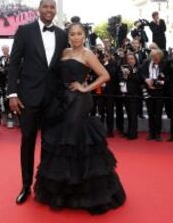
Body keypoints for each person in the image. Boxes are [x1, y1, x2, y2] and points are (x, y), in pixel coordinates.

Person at [33, 22, 126, 215]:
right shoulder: (64, 52)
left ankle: (87, 192)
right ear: (68, 36)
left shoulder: (87, 54)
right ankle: (67, 190)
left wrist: (85, 87)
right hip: (61, 102)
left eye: (79, 34)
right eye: (73, 34)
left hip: (79, 100)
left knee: (75, 140)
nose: (76, 37)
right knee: (64, 144)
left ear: (85, 36)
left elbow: (105, 75)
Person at [7, 0, 68, 205]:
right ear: (38, 9)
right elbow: (13, 63)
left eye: (52, 7)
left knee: (50, 144)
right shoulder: (24, 31)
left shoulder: (62, 35)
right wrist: (12, 94)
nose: (49, 10)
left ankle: (46, 185)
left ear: (55, 10)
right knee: (28, 142)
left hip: (53, 99)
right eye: (45, 6)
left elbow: (62, 67)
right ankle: (25, 186)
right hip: (28, 98)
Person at [140, 49, 167, 142]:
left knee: (158, 113)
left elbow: (168, 75)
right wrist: (146, 80)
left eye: (157, 58)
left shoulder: (164, 64)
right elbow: (141, 74)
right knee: (150, 113)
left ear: (160, 57)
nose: (156, 59)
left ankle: (158, 134)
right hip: (149, 91)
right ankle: (151, 133)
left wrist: (162, 82)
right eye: (154, 57)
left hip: (160, 91)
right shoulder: (146, 63)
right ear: (151, 57)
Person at [119, 52, 142, 139]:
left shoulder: (138, 68)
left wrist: (130, 74)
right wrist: (124, 75)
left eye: (132, 59)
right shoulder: (123, 68)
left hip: (135, 95)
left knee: (133, 115)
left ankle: (133, 134)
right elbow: (121, 78)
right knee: (129, 114)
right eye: (128, 59)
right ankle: (129, 131)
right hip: (126, 94)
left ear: (135, 60)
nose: (130, 61)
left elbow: (139, 80)